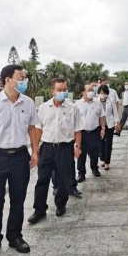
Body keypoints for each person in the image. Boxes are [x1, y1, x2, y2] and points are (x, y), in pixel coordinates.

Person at [0, 64, 39, 256]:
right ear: (7, 80)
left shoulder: (28, 103)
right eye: (20, 78)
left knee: (18, 200)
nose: (24, 82)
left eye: (24, 78)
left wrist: (35, 150)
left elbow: (32, 128)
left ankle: (15, 237)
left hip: (20, 156)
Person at [28, 78, 83, 225]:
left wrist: (78, 146)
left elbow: (78, 129)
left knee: (63, 180)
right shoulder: (44, 108)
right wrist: (36, 148)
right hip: (47, 148)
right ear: (52, 91)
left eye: (65, 89)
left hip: (65, 148)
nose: (63, 92)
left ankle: (60, 205)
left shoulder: (73, 108)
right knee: (42, 181)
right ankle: (39, 210)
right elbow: (39, 129)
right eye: (59, 90)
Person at [75, 85, 106, 182]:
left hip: (94, 132)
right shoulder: (77, 104)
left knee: (94, 152)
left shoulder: (97, 103)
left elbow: (102, 116)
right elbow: (74, 119)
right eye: (89, 90)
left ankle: (94, 168)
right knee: (81, 153)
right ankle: (81, 173)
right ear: (83, 92)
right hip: (82, 133)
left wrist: (103, 128)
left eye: (92, 90)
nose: (91, 92)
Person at [98, 85, 121, 170]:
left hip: (109, 124)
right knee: (101, 143)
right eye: (101, 93)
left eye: (104, 93)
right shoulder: (96, 101)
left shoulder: (111, 100)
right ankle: (102, 159)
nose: (102, 94)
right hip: (100, 125)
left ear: (107, 93)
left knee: (108, 143)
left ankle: (107, 162)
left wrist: (117, 122)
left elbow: (115, 112)